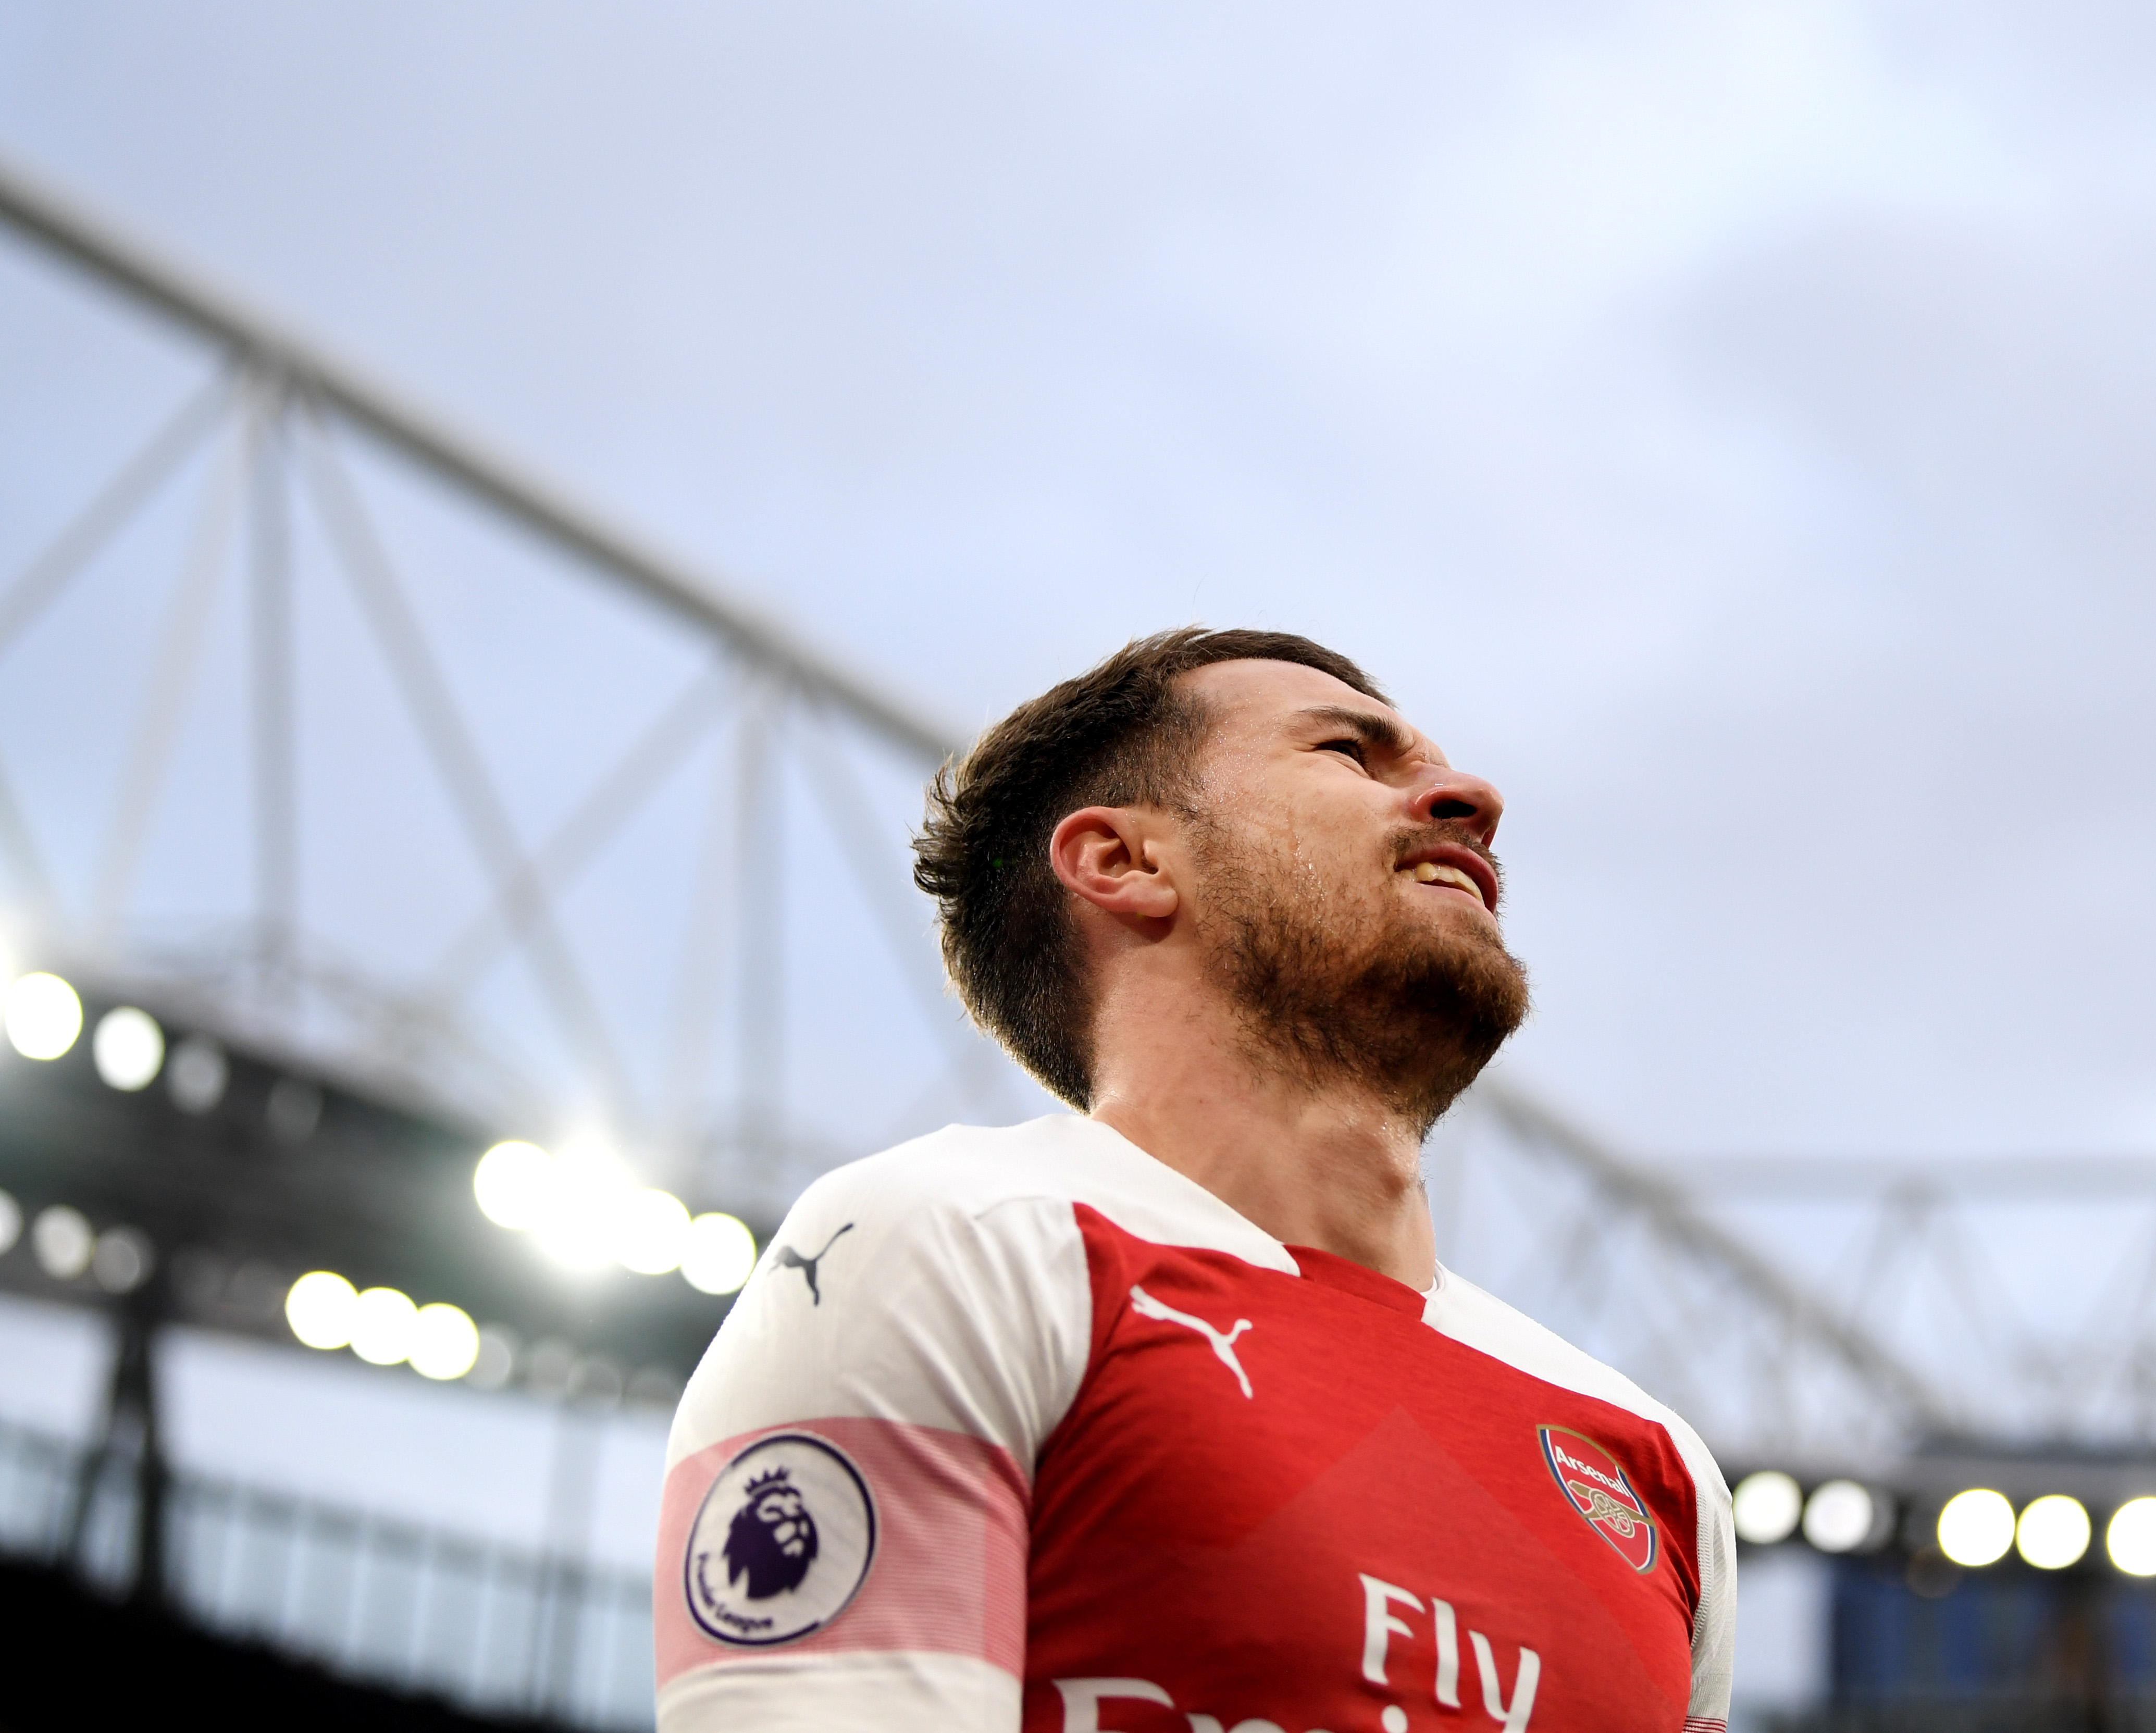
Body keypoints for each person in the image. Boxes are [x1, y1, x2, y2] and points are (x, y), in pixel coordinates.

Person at [654, 628, 1734, 1733]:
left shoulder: (1651, 1459)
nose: (1475, 796)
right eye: (1355, 756)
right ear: (1126, 862)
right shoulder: (953, 1239)